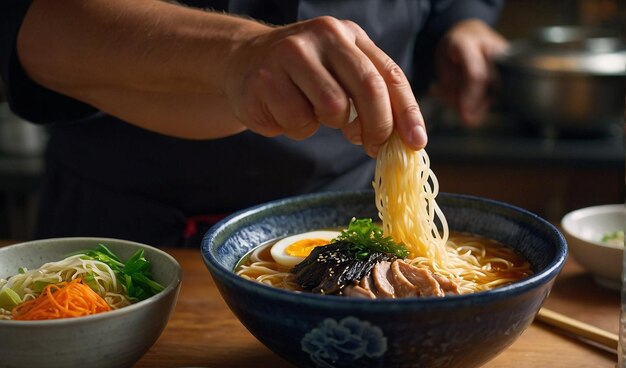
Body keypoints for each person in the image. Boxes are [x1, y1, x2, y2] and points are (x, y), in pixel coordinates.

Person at [0, 0, 508, 247]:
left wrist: (459, 22)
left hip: (348, 216)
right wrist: (238, 53)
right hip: (120, 226)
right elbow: (29, 24)